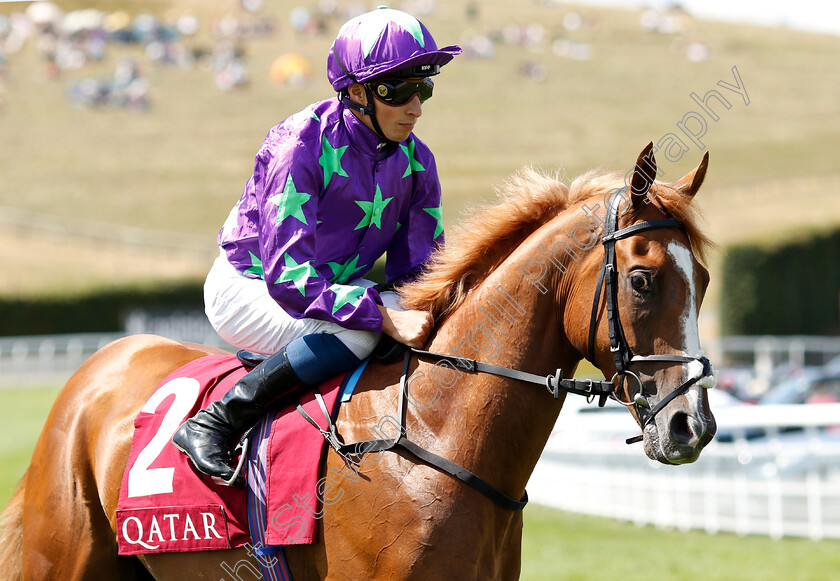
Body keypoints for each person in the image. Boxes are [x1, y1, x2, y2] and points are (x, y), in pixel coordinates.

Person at [173, 7, 461, 484]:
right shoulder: (299, 144)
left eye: (423, 88)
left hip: (325, 290)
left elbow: (418, 277)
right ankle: (219, 420)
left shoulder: (417, 162)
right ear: (355, 91)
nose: (416, 107)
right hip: (250, 287)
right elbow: (289, 280)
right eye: (399, 90)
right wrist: (383, 316)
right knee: (364, 330)